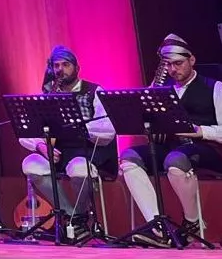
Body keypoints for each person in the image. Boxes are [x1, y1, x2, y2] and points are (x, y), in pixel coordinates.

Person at [118, 34, 221, 247]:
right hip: (171, 148)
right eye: (169, 65)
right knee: (129, 157)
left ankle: (192, 223)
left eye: (178, 63)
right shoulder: (163, 91)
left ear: (192, 60)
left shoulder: (215, 88)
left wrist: (200, 131)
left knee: (175, 161)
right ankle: (157, 225)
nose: (174, 70)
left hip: (207, 148)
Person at [17, 45, 114, 242]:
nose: (60, 69)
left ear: (77, 68)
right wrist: (41, 146)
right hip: (60, 152)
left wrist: (80, 128)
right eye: (56, 65)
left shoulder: (94, 91)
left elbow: (109, 129)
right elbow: (27, 131)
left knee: (79, 168)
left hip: (88, 149)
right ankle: (73, 217)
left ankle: (76, 219)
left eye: (66, 65)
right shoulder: (48, 95)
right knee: (31, 164)